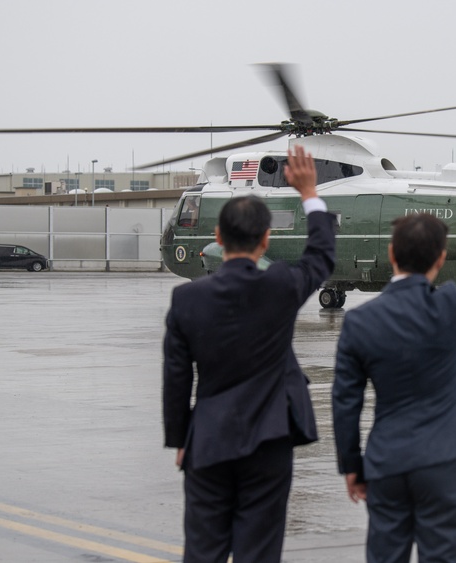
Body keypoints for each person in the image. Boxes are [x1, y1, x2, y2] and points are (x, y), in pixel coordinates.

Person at [332, 170, 456, 563]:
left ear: (392, 254)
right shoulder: (452, 306)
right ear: (441, 259)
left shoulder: (360, 322)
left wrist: (351, 465)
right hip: (442, 461)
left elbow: (345, 403)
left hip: (386, 461)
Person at [162, 145, 336, 563]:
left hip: (207, 439)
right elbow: (321, 256)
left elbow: (176, 379)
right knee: (260, 550)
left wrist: (180, 438)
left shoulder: (186, 299)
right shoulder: (279, 286)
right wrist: (309, 193)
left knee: (203, 549)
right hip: (269, 439)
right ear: (266, 239)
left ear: (218, 238)